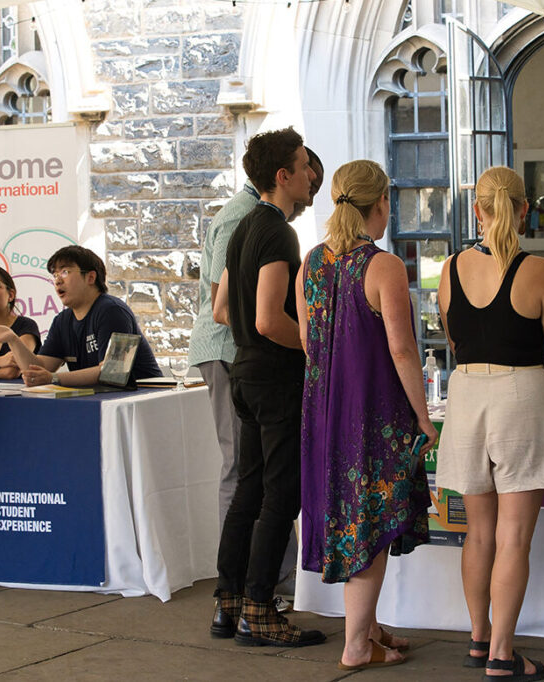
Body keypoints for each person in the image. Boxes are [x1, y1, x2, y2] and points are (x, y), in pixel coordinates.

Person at [296, 160, 435, 670]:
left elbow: (310, 345)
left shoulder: (311, 262)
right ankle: (356, 645)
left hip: (324, 411)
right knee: (369, 523)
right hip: (370, 414)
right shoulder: (383, 266)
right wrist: (423, 418)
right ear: (380, 204)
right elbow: (403, 351)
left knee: (348, 517)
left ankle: (369, 627)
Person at [435, 166, 544, 680]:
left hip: (466, 395)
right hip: (522, 392)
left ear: (478, 210)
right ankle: (502, 656)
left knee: (479, 534)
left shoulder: (450, 267)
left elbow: (453, 336)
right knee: (514, 537)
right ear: (525, 209)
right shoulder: (538, 270)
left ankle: (478, 638)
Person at [189, 148, 323, 608]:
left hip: (244, 369)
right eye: (305, 168)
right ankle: (261, 606)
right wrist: (316, 347)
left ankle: (229, 601)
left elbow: (222, 308)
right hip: (271, 376)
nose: (311, 176)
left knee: (249, 487)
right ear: (283, 176)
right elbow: (268, 320)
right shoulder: (277, 232)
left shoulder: (244, 224)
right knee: (280, 494)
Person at [0, 245, 161, 386]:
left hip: (141, 400)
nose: (58, 280)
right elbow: (38, 368)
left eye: (65, 272)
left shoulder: (112, 311)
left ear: (90, 277)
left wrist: (54, 378)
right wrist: (13, 339)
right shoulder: (62, 320)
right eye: (54, 274)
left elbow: (114, 372)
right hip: (96, 401)